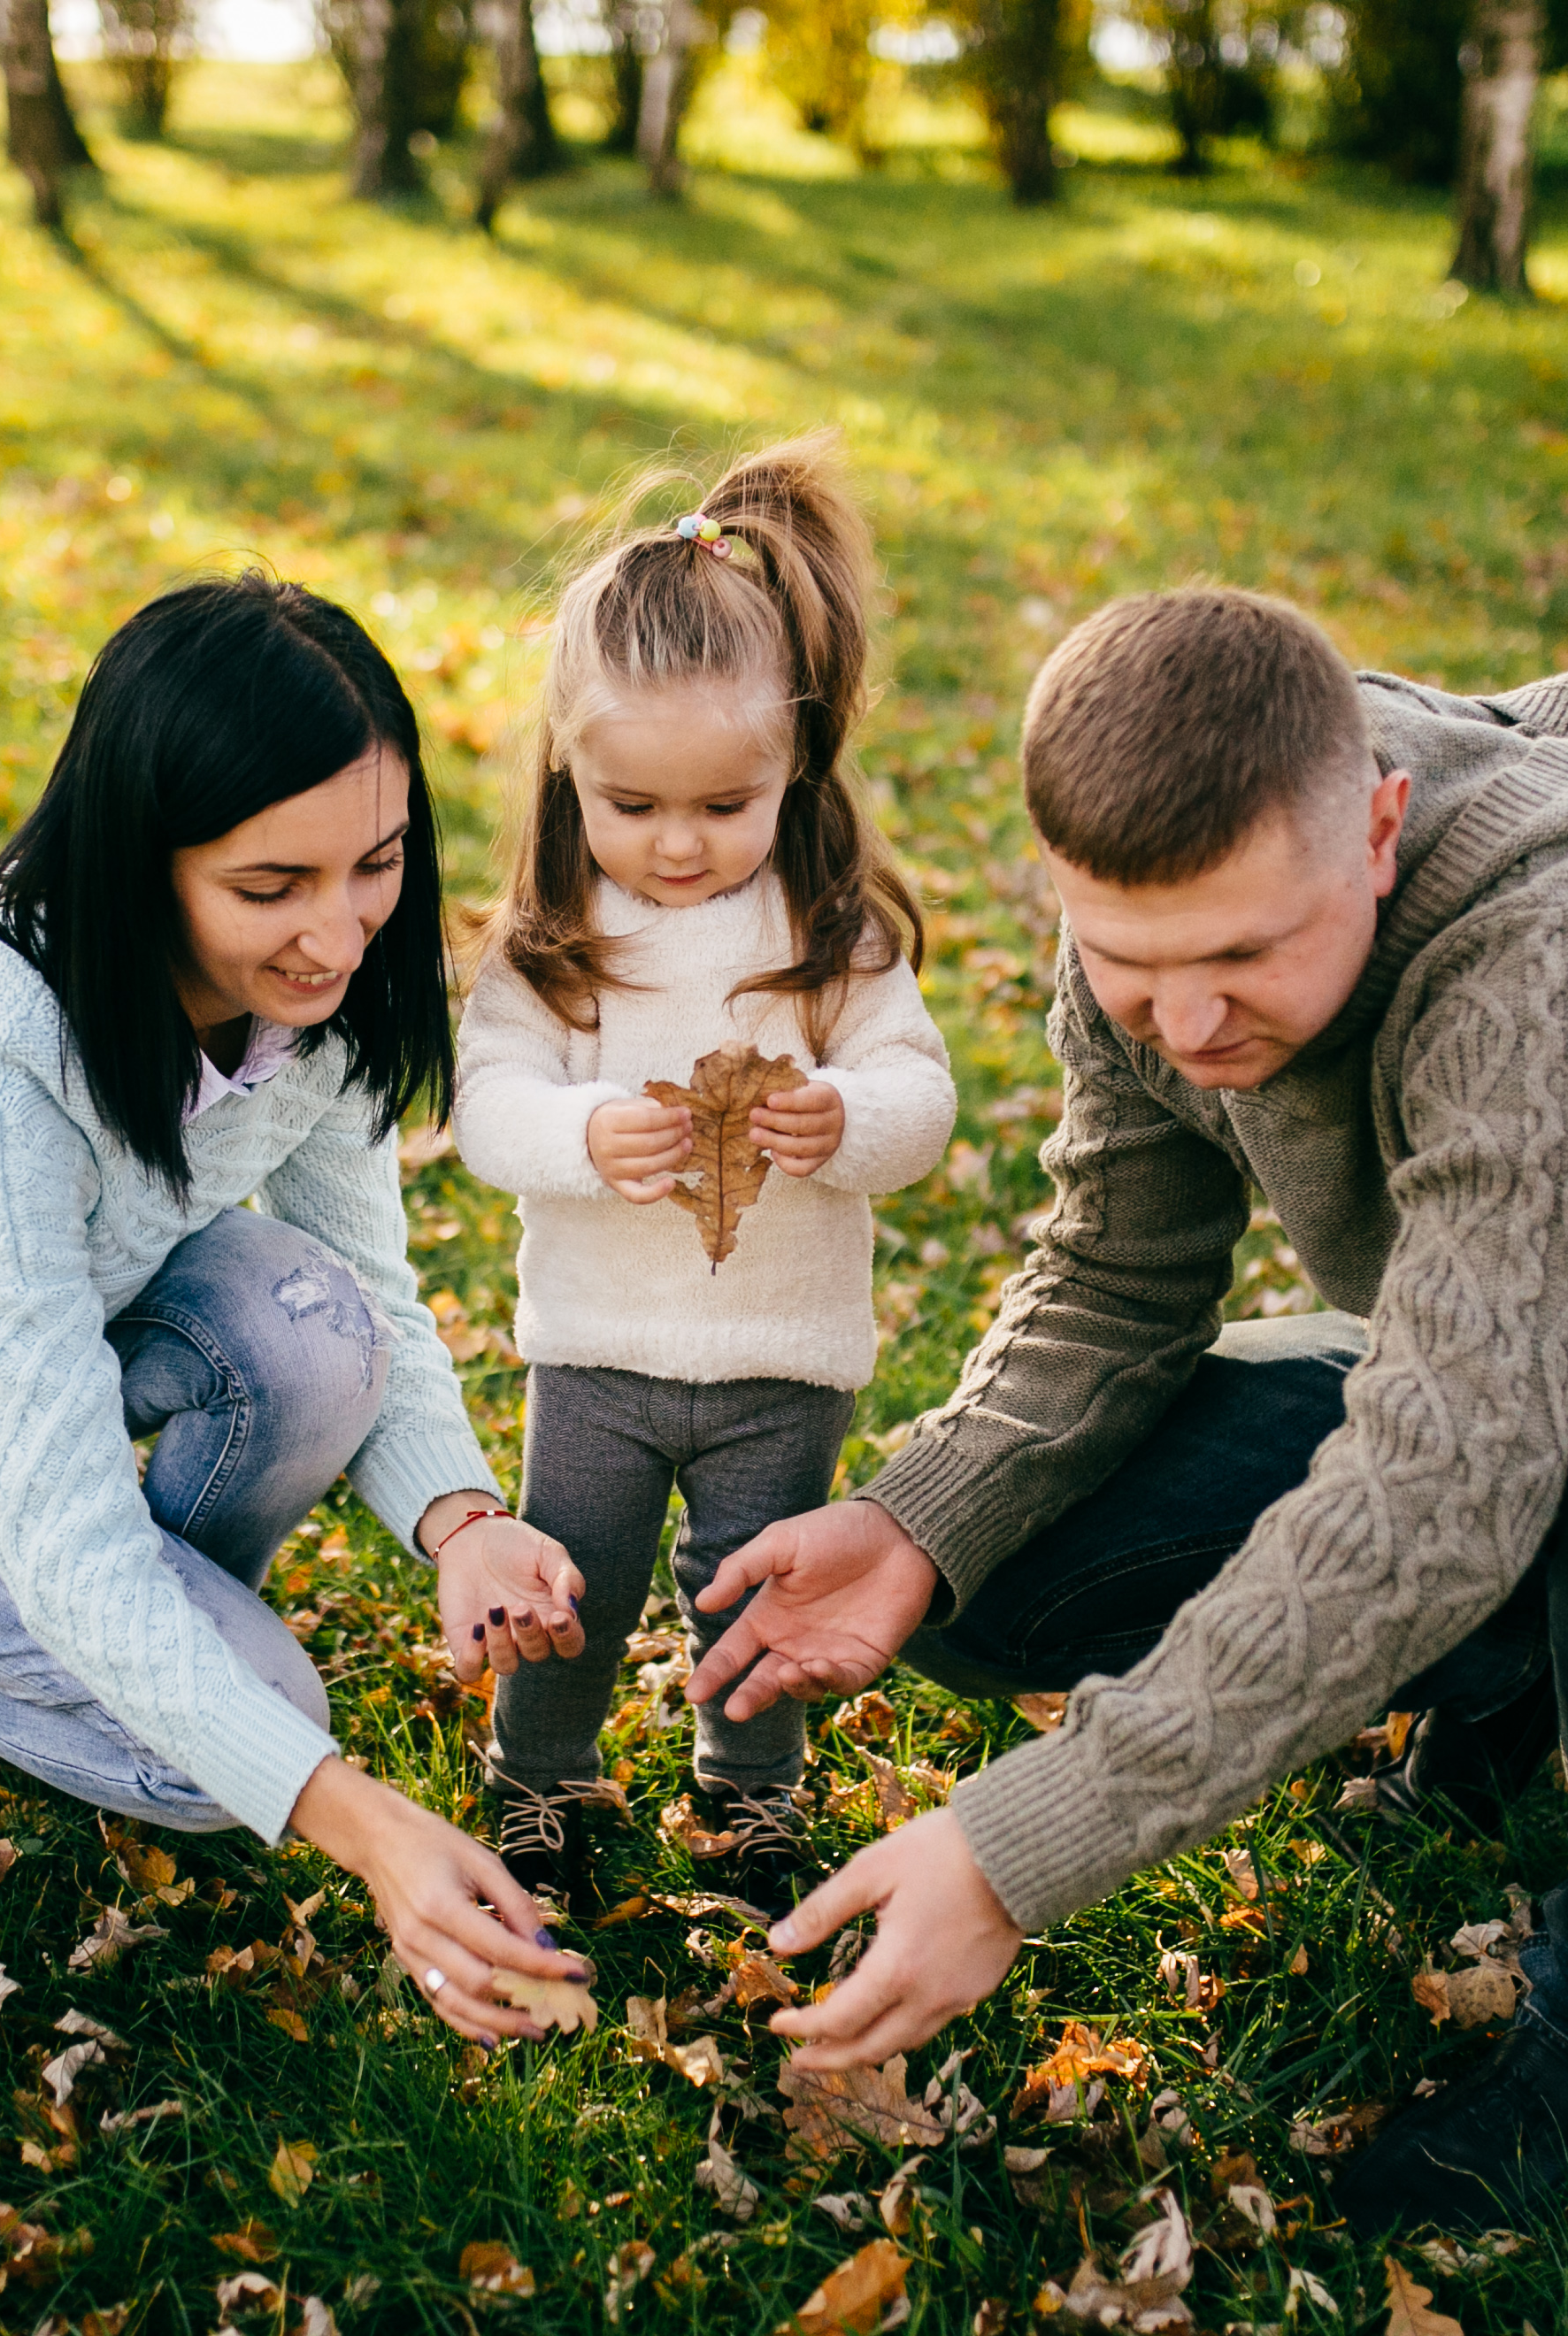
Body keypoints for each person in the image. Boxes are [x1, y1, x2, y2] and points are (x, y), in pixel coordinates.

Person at [685, 588, 1568, 2228]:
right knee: (1004, 1571)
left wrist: (1019, 1847)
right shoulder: (1160, 894)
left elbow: (1446, 1484)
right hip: (1503, 1364)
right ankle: (1524, 1665)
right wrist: (919, 1518)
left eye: (1247, 956)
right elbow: (1116, 1281)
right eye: (1129, 963)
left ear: (1380, 830)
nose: (1185, 1022)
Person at [0, 572, 591, 2043]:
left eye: (377, 864)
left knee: (311, 1329)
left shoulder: (312, 999)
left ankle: (115, 1658)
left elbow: (377, 1299)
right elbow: (70, 1531)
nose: (337, 936)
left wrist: (466, 1521)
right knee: (239, 1750)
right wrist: (353, 1821)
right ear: (137, 859)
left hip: (34, 1331)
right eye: (270, 889)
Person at [453, 435, 956, 1910]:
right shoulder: (560, 939)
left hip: (780, 1359)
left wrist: (845, 1120)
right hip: (598, 1355)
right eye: (635, 806)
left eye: (724, 808)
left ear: (793, 765)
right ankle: (537, 1777)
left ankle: (749, 1797)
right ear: (570, 770)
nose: (679, 845)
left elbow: (920, 1098)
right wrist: (582, 1138)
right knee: (578, 1588)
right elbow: (490, 1110)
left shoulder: (829, 935)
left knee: (759, 1585)